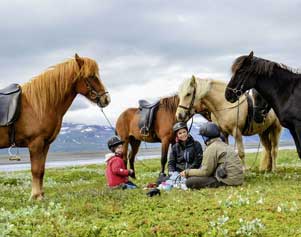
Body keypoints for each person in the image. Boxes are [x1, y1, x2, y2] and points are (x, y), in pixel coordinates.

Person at [180, 122, 244, 189]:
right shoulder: (223, 144)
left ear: (206, 137)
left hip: (227, 181)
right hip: (237, 180)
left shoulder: (212, 148)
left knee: (190, 181)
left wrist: (187, 172)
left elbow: (205, 172)